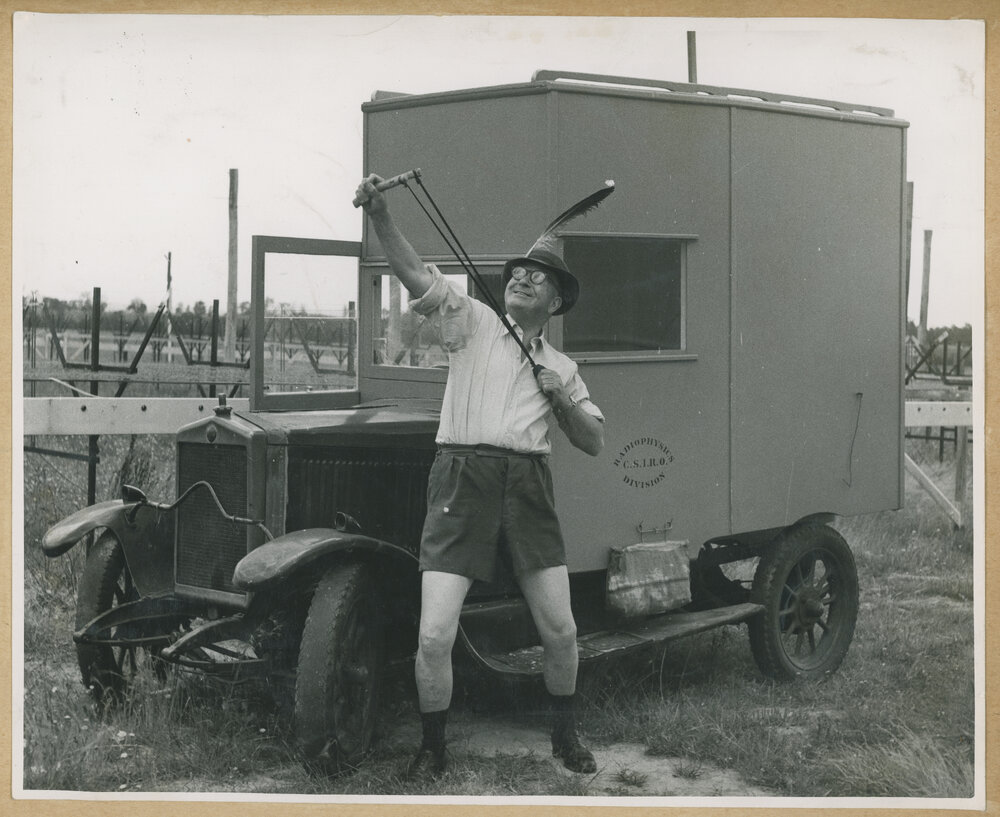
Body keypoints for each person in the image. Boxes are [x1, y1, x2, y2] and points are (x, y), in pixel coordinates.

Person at [355, 174, 606, 781]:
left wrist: (562, 400)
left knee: (561, 629)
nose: (522, 278)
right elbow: (417, 275)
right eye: (518, 272)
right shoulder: (468, 319)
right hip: (460, 481)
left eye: (537, 276)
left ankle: (564, 734)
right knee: (435, 634)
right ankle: (433, 749)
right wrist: (382, 217)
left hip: (527, 486)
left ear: (556, 303)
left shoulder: (562, 367)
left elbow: (594, 441)